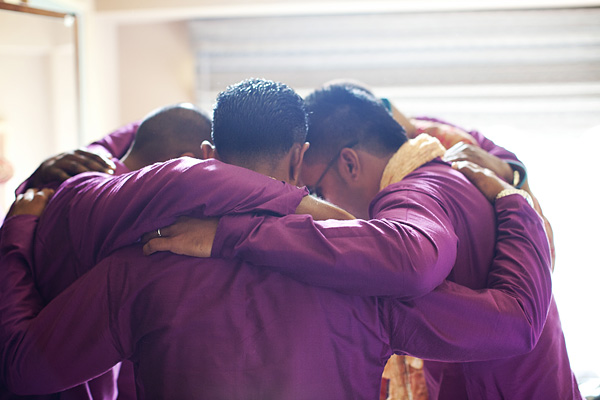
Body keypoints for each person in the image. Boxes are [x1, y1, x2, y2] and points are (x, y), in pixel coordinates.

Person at [150, 83, 578, 399]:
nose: (316, 206)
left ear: (350, 163)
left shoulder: (415, 195)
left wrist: (231, 236)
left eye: (314, 190)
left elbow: (411, 260)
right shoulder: (445, 176)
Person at [0, 166, 552, 397]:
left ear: (205, 158)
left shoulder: (138, 270)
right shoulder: (368, 286)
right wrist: (513, 200)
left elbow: (23, 367)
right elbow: (515, 326)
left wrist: (18, 230)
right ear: (298, 162)